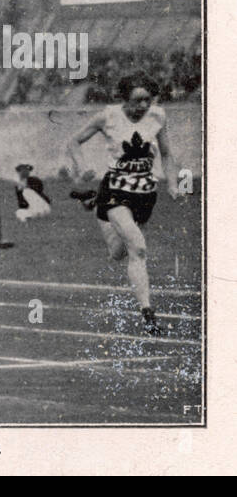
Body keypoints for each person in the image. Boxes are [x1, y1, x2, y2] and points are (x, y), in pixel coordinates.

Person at [66, 73, 181, 334]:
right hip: (116, 190)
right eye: (136, 101)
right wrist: (83, 167)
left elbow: (167, 153)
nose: (142, 107)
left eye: (147, 101)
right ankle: (148, 314)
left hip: (145, 194)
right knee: (138, 248)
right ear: (123, 99)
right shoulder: (108, 116)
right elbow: (73, 141)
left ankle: (94, 205)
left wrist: (172, 184)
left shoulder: (158, 117)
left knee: (119, 252)